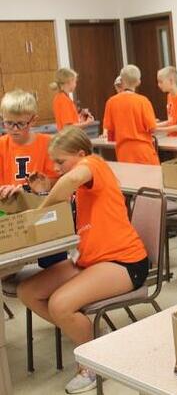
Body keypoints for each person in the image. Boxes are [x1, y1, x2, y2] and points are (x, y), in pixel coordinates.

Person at [17, 126, 148, 394]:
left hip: (125, 262)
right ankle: (94, 341)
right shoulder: (82, 178)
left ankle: (93, 363)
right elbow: (65, 196)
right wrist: (44, 191)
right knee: (27, 292)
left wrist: (41, 209)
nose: (56, 167)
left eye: (61, 161)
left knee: (60, 305)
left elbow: (67, 182)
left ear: (79, 154)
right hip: (89, 259)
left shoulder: (94, 163)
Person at [0, 90, 66, 267]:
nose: (14, 129)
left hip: (41, 210)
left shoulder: (48, 143)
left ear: (33, 120)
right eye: (8, 123)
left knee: (53, 261)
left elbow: (58, 183)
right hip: (11, 214)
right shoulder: (1, 146)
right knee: (9, 269)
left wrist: (41, 187)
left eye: (20, 124)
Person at [103, 65, 159, 165]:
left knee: (129, 180)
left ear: (122, 81)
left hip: (123, 152)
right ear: (138, 82)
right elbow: (152, 129)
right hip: (143, 151)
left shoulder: (111, 102)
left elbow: (110, 133)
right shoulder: (143, 101)